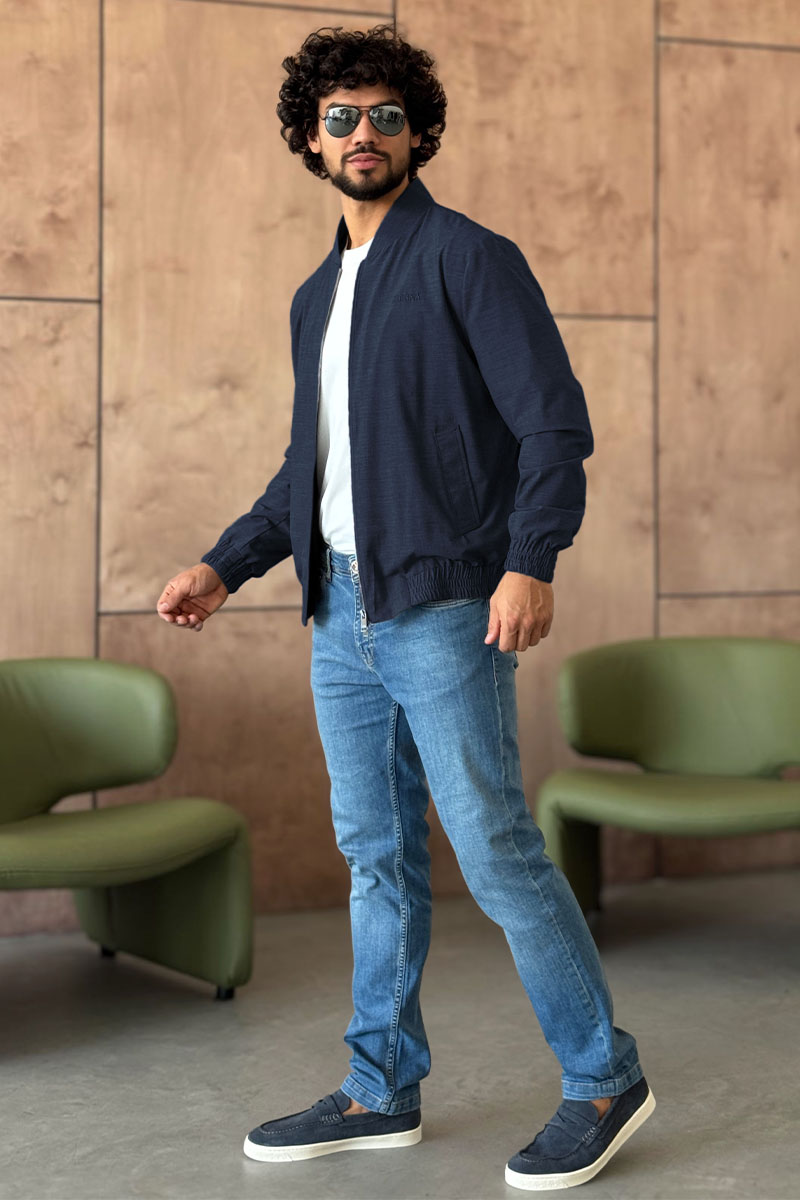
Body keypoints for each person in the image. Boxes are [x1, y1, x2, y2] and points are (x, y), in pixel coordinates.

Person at [156, 22, 655, 1191]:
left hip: (442, 609)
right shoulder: (314, 297)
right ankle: (379, 1086)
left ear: (418, 133)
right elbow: (310, 470)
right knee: (373, 856)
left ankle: (603, 1078)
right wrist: (227, 564)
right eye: (339, 118)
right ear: (308, 139)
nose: (362, 134)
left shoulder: (468, 258)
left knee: (494, 850)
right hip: (339, 618)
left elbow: (550, 425)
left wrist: (529, 559)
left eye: (384, 115)